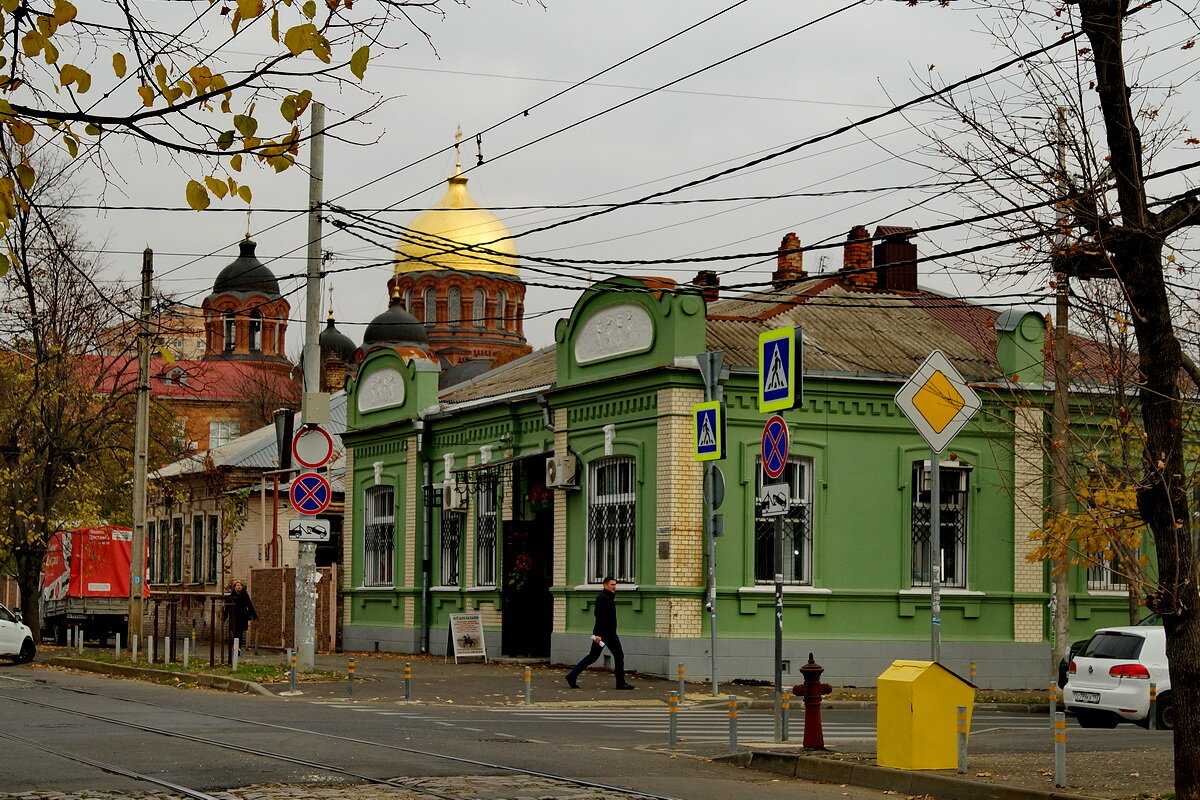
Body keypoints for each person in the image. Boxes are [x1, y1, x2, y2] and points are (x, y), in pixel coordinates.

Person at [565, 576, 634, 690]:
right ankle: (620, 683)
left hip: (607, 633)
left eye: (615, 584)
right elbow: (599, 617)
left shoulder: (608, 597)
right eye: (612, 585)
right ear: (605, 585)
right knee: (617, 655)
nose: (614, 587)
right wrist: (597, 634)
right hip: (606, 634)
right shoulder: (603, 598)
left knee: (594, 656)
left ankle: (572, 675)